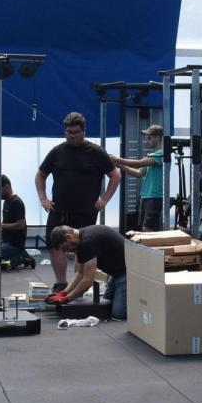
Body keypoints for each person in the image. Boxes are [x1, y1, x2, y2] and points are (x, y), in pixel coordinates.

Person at [36, 112, 120, 292]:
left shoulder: (96, 152)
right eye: (68, 132)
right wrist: (43, 198)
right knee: (53, 245)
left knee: (81, 249)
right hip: (59, 209)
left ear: (84, 131)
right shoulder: (57, 151)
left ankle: (76, 285)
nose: (71, 135)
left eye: (75, 132)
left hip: (85, 210)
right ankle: (61, 283)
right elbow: (40, 174)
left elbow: (115, 175)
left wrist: (104, 200)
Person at [46, 224, 127, 320]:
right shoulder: (79, 241)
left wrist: (66, 299)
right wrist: (64, 293)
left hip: (127, 273)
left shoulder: (89, 241)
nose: (66, 251)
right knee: (106, 304)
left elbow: (88, 281)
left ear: (68, 237)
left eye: (64, 248)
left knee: (119, 314)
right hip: (116, 274)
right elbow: (80, 273)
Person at [110, 124, 164, 232]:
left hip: (154, 196)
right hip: (146, 196)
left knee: (148, 228)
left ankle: (155, 248)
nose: (146, 141)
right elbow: (139, 173)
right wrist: (120, 166)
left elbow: (138, 164)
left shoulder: (161, 154)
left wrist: (117, 159)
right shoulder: (152, 155)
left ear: (158, 137)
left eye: (149, 138)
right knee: (145, 228)